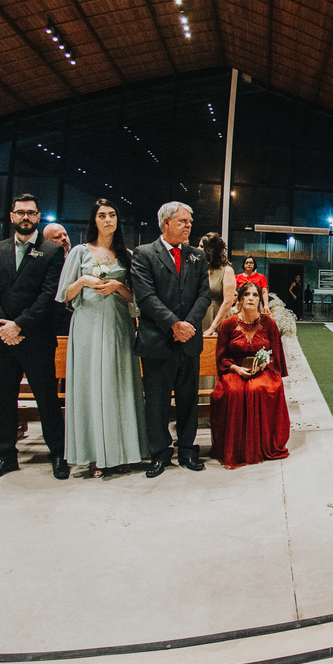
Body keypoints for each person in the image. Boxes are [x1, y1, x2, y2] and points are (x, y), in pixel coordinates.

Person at [56, 199, 148, 478]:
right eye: (102, 215)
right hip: (87, 325)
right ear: (93, 220)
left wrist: (119, 286)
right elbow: (64, 294)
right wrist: (84, 281)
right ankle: (94, 454)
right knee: (90, 385)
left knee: (117, 385)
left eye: (112, 215)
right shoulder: (79, 252)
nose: (108, 220)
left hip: (118, 325)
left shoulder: (127, 254)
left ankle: (122, 452)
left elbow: (137, 299)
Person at [0, 194, 68, 481]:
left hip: (36, 338)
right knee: (4, 400)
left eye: (31, 213)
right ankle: (6, 456)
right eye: (20, 213)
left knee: (47, 400)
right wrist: (3, 325)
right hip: (2, 340)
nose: (25, 217)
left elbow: (48, 296)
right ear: (11, 216)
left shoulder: (52, 251)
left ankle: (57, 454)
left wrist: (19, 326)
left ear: (38, 217)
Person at [133, 201, 211, 477]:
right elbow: (145, 297)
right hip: (158, 340)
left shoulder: (196, 256)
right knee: (156, 401)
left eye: (190, 221)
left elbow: (204, 295)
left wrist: (188, 324)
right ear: (165, 223)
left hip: (188, 340)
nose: (189, 225)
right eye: (183, 221)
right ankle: (160, 453)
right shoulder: (144, 254)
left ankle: (188, 450)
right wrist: (173, 324)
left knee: (188, 399)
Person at [210, 281, 291, 468]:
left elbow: (276, 356)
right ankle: (235, 449)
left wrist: (263, 365)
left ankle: (261, 446)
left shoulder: (269, 324)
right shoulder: (228, 324)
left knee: (257, 388)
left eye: (255, 295)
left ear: (259, 301)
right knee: (235, 391)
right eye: (247, 294)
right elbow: (221, 356)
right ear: (240, 298)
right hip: (234, 369)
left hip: (263, 370)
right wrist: (235, 369)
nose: (251, 298)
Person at [199, 232, 236, 335]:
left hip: (218, 319)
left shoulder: (227, 271)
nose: (198, 249)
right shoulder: (201, 270)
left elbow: (228, 302)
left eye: (201, 246)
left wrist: (213, 327)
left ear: (210, 250)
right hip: (201, 318)